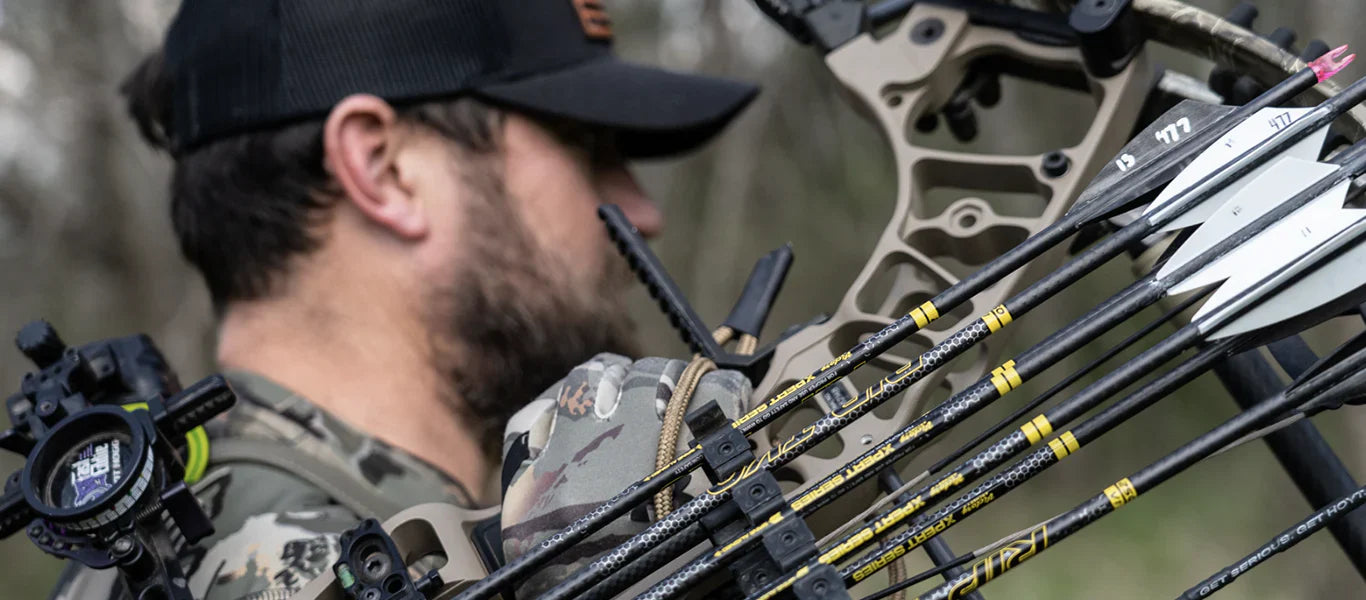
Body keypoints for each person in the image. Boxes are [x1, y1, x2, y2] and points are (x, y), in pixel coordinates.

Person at [49, 0, 759, 598]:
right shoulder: (280, 568)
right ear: (383, 169)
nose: (641, 209)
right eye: (588, 144)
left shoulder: (199, 538)